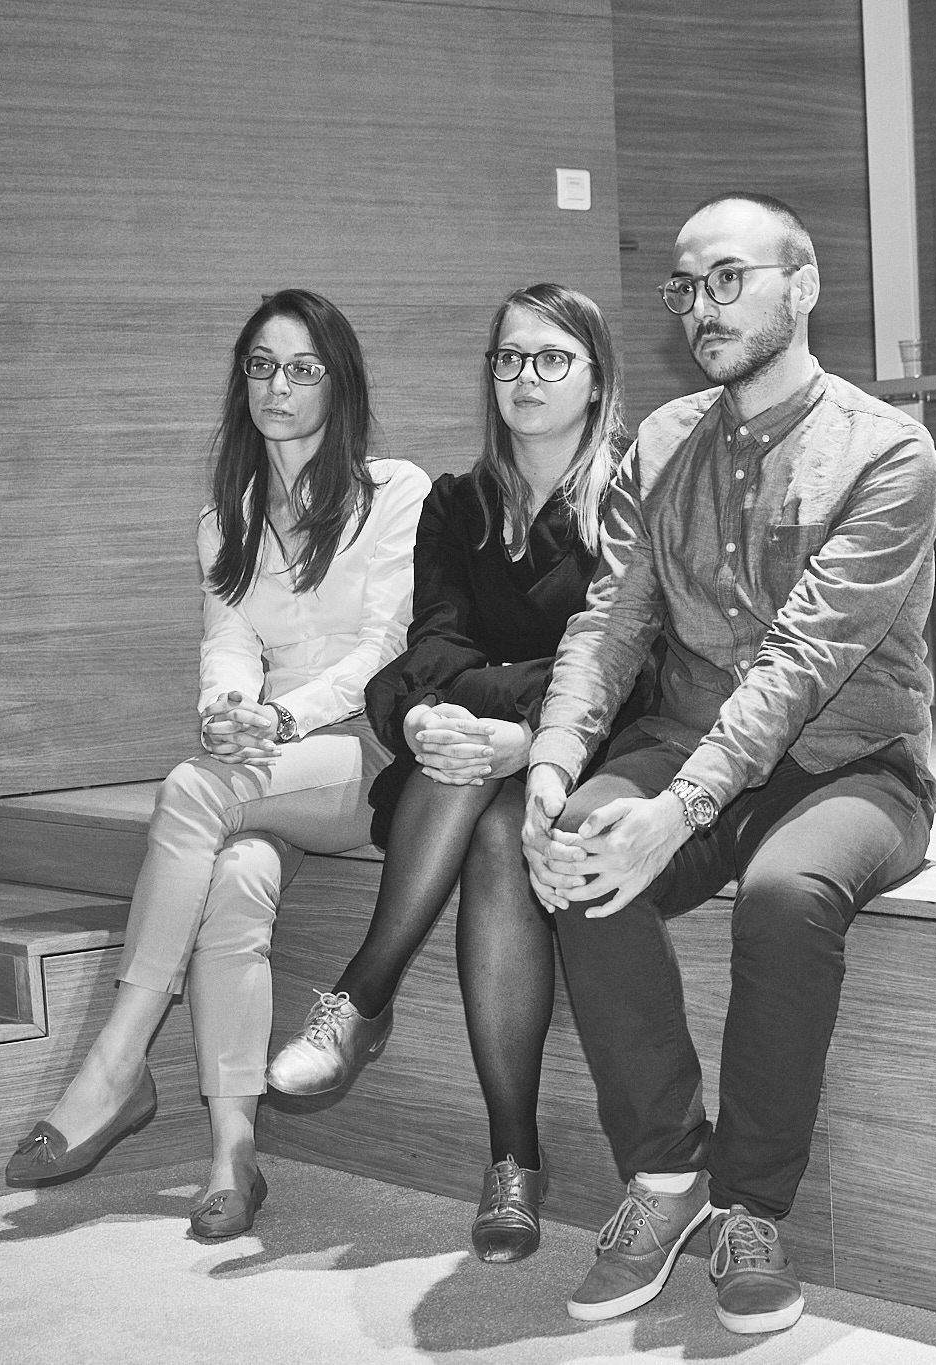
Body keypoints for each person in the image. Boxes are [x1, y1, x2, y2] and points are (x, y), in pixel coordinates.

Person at [521, 194, 936, 1335]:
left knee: (784, 896)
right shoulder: (660, 442)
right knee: (579, 847)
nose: (700, 307)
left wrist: (683, 806)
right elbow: (611, 621)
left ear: (800, 287)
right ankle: (667, 1172)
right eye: (684, 286)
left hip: (852, 761)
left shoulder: (887, 450)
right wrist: (553, 762)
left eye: (727, 279)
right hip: (685, 738)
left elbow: (802, 662)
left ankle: (751, 1206)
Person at [3, 289, 430, 1242]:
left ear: (339, 384)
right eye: (261, 366)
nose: (278, 386)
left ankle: (119, 1059)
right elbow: (229, 642)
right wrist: (227, 710)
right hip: (279, 761)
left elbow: (387, 647)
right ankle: (234, 1152)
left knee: (192, 789)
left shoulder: (396, 491)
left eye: (303, 369)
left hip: (367, 753)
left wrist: (280, 716)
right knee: (235, 877)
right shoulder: (225, 519)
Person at [264, 283, 640, 1264]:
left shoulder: (631, 498)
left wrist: (521, 729)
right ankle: (509, 1159)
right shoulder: (456, 503)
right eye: (508, 358)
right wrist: (446, 715)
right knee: (476, 796)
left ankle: (365, 999)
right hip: (471, 763)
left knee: (493, 805)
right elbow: (431, 645)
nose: (525, 377)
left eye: (551, 358)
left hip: (602, 747)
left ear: (596, 378)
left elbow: (628, 663)